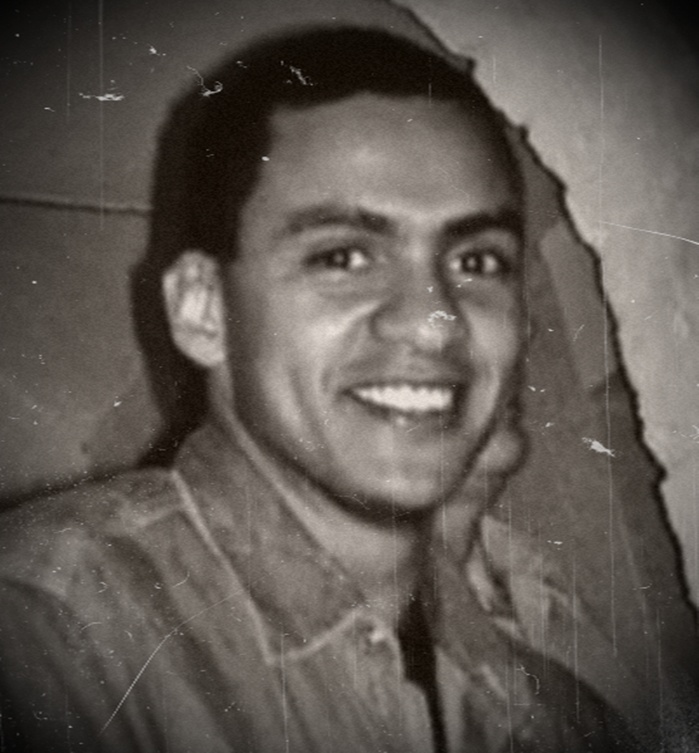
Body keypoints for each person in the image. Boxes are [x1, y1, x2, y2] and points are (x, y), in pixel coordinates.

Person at [0, 24, 696, 753]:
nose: (432, 322)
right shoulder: (50, 640)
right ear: (203, 308)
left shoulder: (558, 717)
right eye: (344, 256)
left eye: (477, 261)